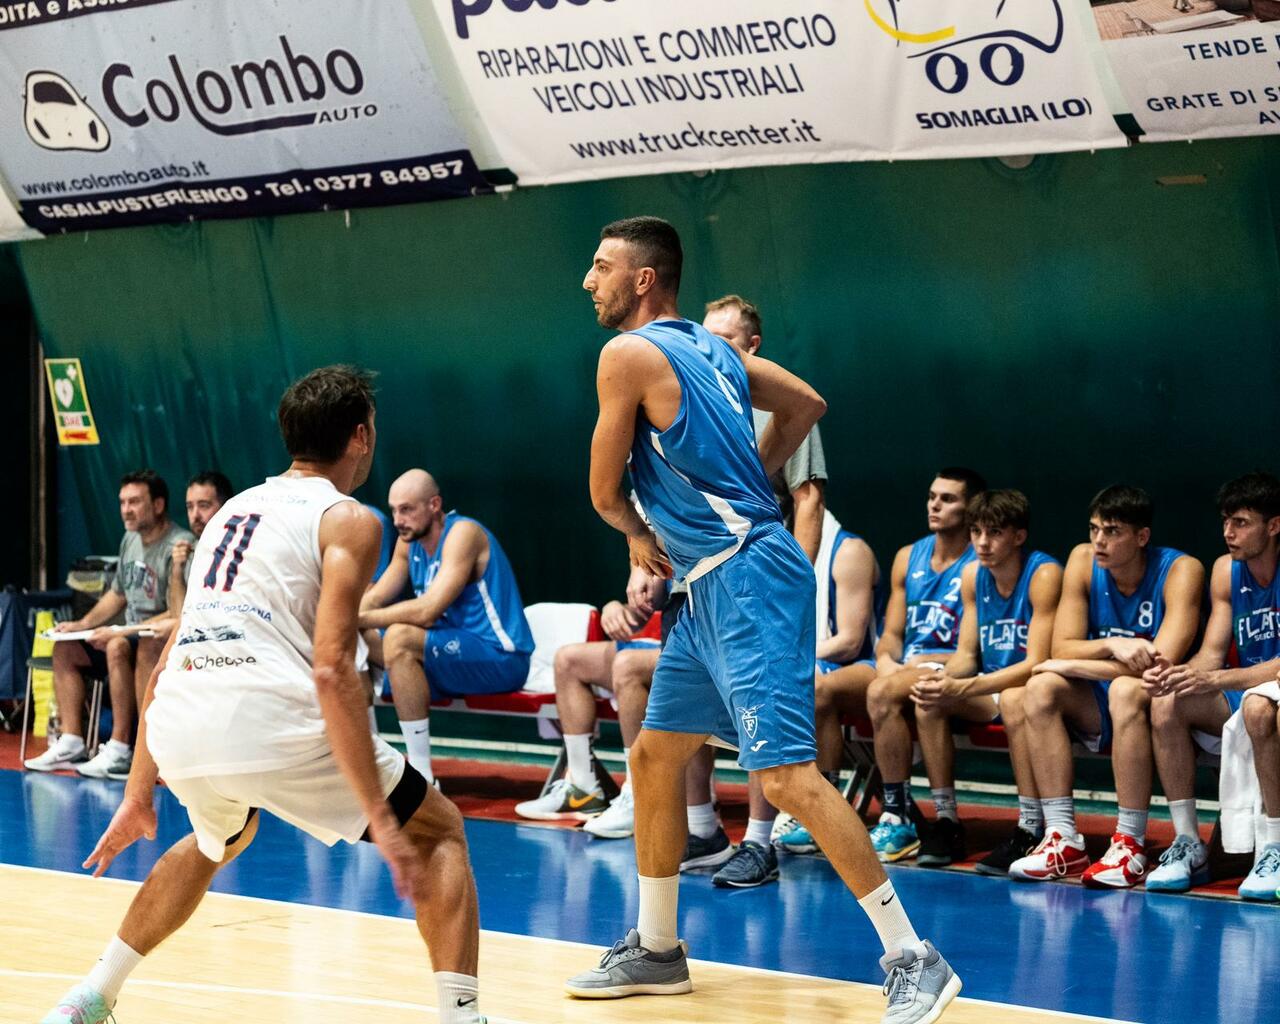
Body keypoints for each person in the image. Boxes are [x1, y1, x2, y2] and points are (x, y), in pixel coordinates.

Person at [566, 215, 960, 1024]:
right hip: (717, 580)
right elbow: (806, 402)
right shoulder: (716, 350)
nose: (588, 280)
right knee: (653, 754)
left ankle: (914, 958)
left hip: (746, 576)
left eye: (601, 267)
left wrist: (640, 536)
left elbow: (606, 494)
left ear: (644, 280)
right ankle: (658, 947)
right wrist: (756, 478)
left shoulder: (626, 355)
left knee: (783, 774)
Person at [39, 365, 487, 1024]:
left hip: (184, 721)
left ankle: (92, 994)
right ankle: (462, 1016)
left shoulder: (228, 515)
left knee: (217, 838)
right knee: (441, 832)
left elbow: (166, 669)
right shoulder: (349, 520)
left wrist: (139, 793)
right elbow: (333, 668)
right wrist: (382, 820)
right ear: (361, 436)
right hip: (269, 715)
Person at [693, 294, 835, 887]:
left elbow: (808, 500)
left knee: (761, 709)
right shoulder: (697, 405)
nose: (710, 351)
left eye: (724, 341)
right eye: (704, 339)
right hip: (706, 580)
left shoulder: (779, 411)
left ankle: (759, 842)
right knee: (684, 703)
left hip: (762, 581)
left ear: (752, 348)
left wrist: (790, 581)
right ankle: (702, 828)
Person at [1009, 485, 1203, 888]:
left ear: (1142, 537)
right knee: (1041, 687)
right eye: (1095, 528)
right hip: (1103, 695)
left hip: (1163, 701)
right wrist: (1114, 643)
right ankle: (1063, 839)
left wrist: (1071, 663)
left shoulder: (1182, 570)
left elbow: (1157, 667)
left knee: (1125, 690)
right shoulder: (1083, 560)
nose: (1099, 540)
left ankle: (1130, 842)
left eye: (1112, 531)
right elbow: (1060, 646)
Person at [906, 490, 1062, 872]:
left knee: (1012, 697)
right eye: (975, 531)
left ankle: (1029, 826)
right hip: (991, 687)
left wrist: (965, 687)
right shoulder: (974, 574)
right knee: (929, 698)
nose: (981, 542)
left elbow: (1037, 663)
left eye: (993, 533)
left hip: (1036, 691)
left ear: (1019, 537)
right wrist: (941, 680)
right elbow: (965, 655)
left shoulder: (1044, 574)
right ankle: (947, 821)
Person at [1143, 473, 1280, 896]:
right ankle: (1188, 841)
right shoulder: (1225, 570)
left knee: (1258, 709)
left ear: (1273, 526)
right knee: (1167, 703)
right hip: (1252, 685)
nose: (1228, 532)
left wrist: (1216, 678)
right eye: (1225, 521)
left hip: (1269, 691)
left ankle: (1274, 847)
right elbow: (1212, 652)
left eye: (1241, 522)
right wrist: (1180, 674)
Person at [359, 469, 534, 783]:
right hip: (447, 654)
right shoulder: (406, 543)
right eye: (394, 510)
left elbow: (428, 610)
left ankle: (422, 776)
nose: (398, 519)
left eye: (407, 509)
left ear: (434, 504)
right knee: (351, 638)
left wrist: (358, 618)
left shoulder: (463, 534)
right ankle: (365, 762)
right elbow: (374, 600)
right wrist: (346, 619)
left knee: (398, 636)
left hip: (500, 657)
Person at [26, 470, 193, 781]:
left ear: (158, 505)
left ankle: (120, 748)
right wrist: (82, 624)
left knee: (117, 645)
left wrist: (118, 631)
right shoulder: (129, 539)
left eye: (134, 502)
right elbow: (117, 594)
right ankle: (72, 740)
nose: (126, 510)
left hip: (153, 638)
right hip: (126, 634)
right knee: (66, 646)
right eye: (122, 502)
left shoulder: (179, 543)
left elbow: (176, 611)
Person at [862, 469, 984, 862]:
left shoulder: (979, 563)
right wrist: (884, 660)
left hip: (953, 671)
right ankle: (813, 809)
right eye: (932, 496)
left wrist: (917, 667)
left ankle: (896, 816)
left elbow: (974, 652)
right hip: (905, 666)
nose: (935, 504)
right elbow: (893, 632)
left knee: (884, 692)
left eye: (948, 499)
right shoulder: (907, 556)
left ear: (971, 509)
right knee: (824, 690)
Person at [513, 564, 665, 825]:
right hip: (664, 645)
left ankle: (639, 793)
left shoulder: (695, 534)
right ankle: (583, 788)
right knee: (568, 660)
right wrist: (614, 610)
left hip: (698, 650)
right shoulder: (647, 545)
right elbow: (650, 606)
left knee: (626, 665)